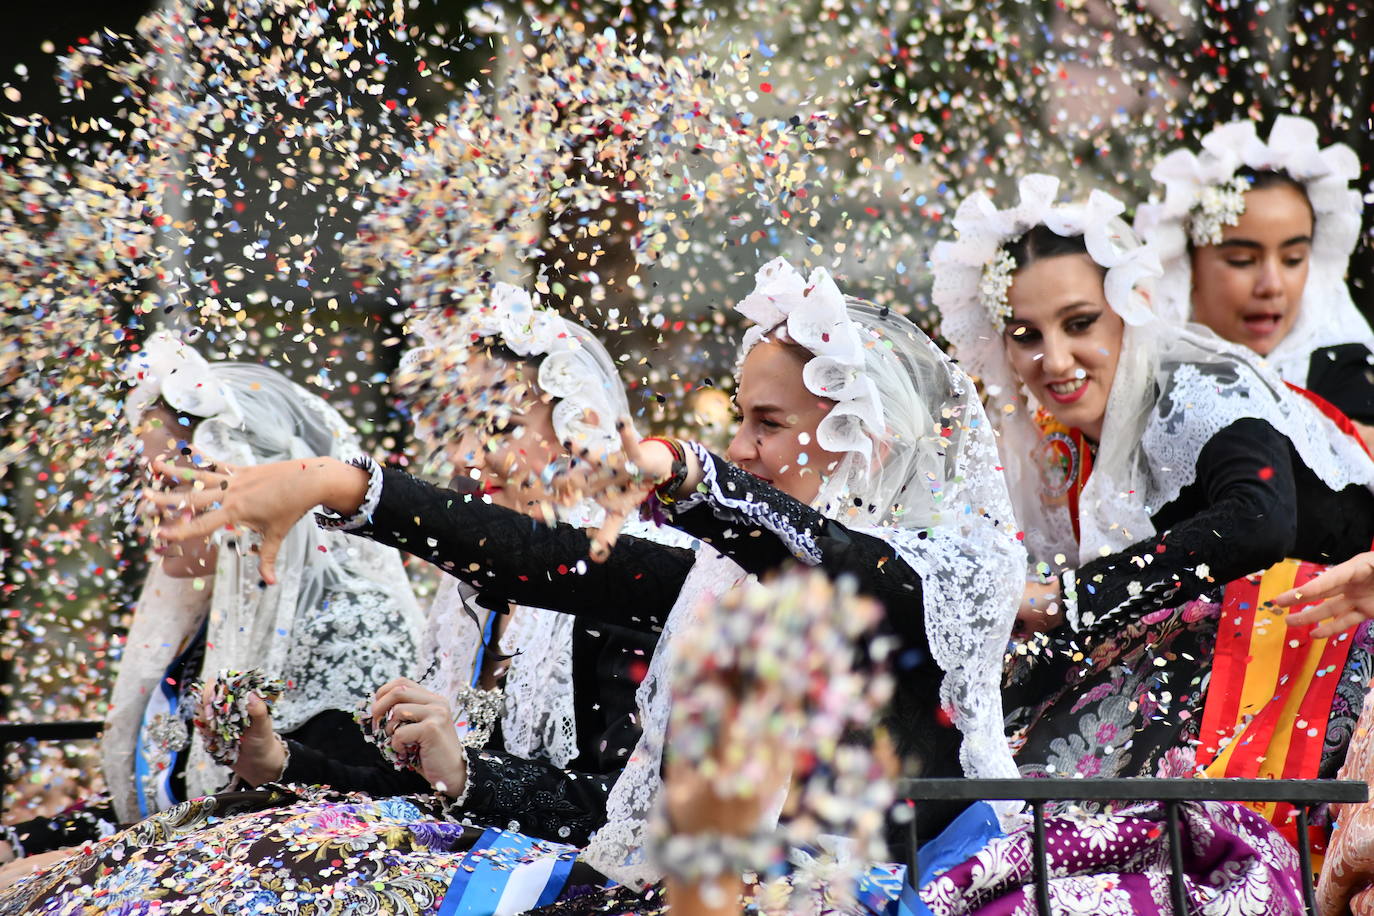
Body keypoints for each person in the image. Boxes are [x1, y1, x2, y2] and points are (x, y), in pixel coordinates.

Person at [105, 259, 1026, 910]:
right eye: (738, 422)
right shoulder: (716, 581)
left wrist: (683, 469)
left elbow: (825, 559)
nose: (743, 445)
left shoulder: (929, 582)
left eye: (767, 422)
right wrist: (339, 485)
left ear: (867, 442)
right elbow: (528, 557)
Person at [918, 174, 1374, 910]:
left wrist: (1069, 599)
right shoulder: (1058, 442)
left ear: (1129, 312)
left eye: (1079, 323)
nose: (1055, 362)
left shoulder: (1196, 381)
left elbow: (1261, 519)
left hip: (1318, 640)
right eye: (1026, 336)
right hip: (1212, 648)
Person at [0, 332, 426, 884]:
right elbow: (165, 798)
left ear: (253, 482)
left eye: (174, 483)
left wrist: (84, 869)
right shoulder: (208, 616)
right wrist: (25, 842)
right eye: (140, 480)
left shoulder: (354, 633)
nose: (147, 508)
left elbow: (325, 834)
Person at [1136, 115, 1374, 432]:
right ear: (1187, 269)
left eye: (1293, 259)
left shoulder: (1343, 375)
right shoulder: (1140, 380)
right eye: (1242, 260)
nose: (1272, 286)